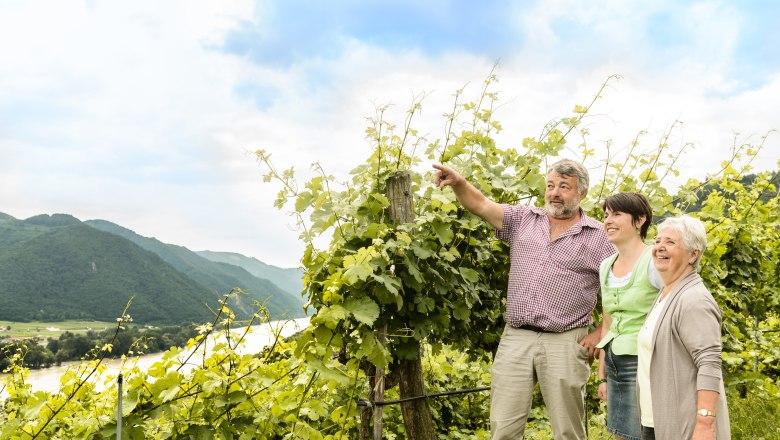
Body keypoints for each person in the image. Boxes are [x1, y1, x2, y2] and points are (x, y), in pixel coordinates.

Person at [433, 159, 614, 440]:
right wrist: (459, 183)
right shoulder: (523, 219)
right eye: (550, 186)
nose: (554, 193)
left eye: (564, 187)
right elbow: (481, 205)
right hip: (516, 337)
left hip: (566, 341)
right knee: (503, 427)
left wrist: (602, 333)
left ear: (583, 194)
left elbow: (620, 289)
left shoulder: (600, 237)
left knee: (568, 431)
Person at [637, 215, 730, 439]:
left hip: (684, 425)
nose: (659, 247)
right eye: (657, 241)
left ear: (693, 254)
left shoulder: (694, 299)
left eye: (670, 242)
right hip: (657, 419)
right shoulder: (666, 293)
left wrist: (705, 424)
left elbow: (709, 363)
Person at [594, 192, 663, 440]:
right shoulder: (606, 265)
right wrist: (601, 376)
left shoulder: (654, 261)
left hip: (644, 361)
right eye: (606, 215)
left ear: (640, 220)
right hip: (615, 362)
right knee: (622, 433)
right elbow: (608, 323)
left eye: (617, 214)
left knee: (646, 434)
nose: (608, 221)